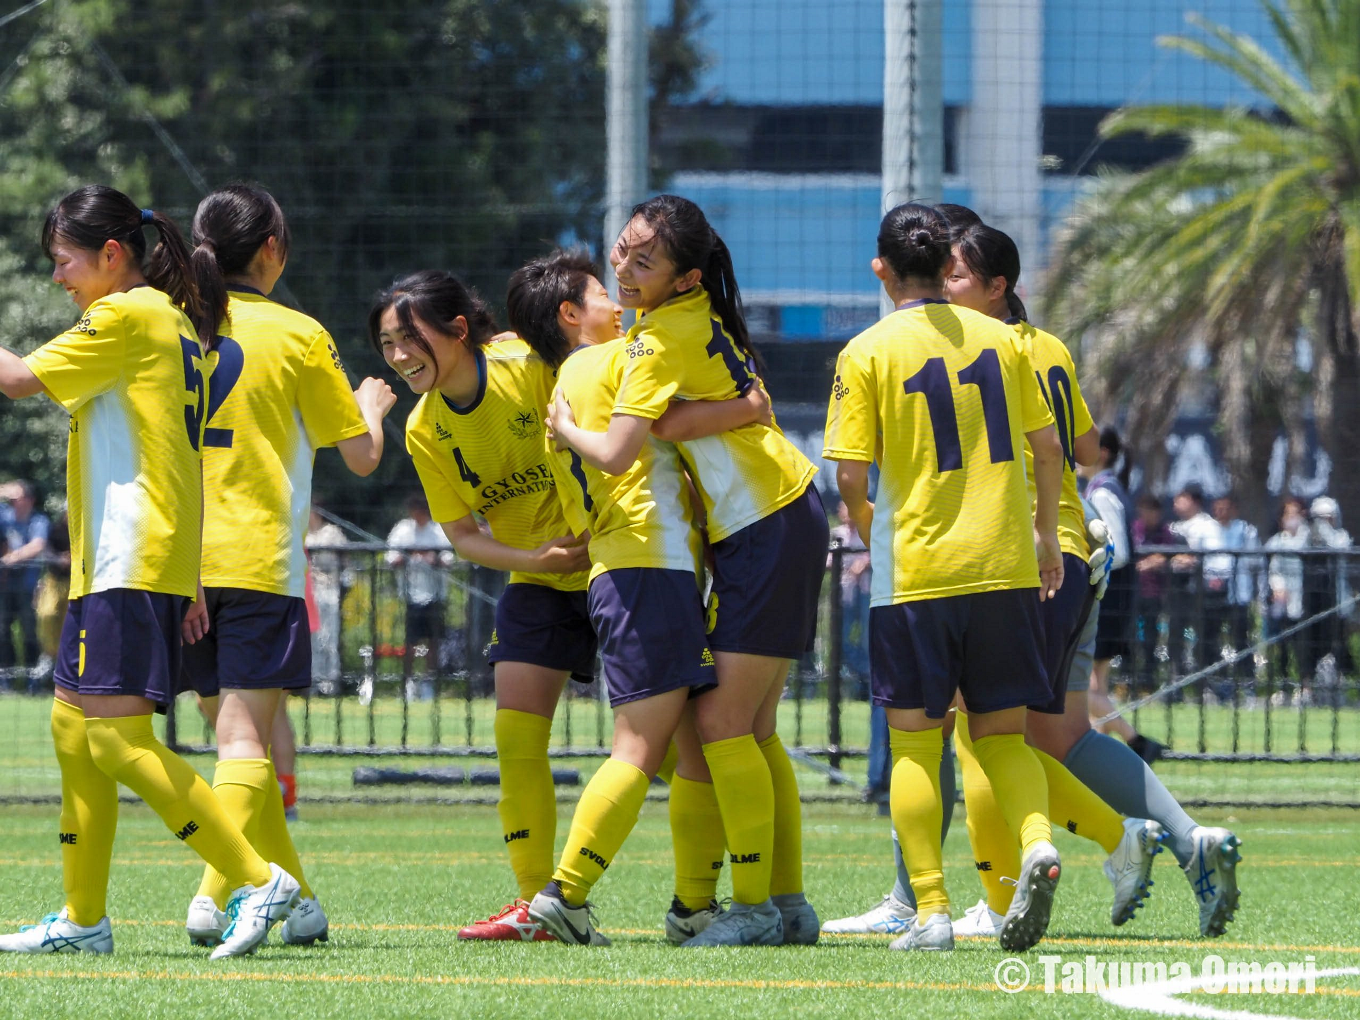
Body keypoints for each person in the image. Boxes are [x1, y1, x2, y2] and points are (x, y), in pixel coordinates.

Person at [0, 184, 298, 958]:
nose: (57, 279)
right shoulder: (160, 320)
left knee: (119, 741)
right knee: (73, 730)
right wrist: (188, 569)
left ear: (110, 255)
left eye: (63, 262)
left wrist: (176, 566)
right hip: (124, 560)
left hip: (131, 559)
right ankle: (83, 919)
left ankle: (258, 878)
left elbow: (17, 378)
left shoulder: (127, 314)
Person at [548, 197, 829, 946]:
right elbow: (751, 401)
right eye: (623, 250)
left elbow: (615, 453)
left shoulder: (654, 341)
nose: (625, 267)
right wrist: (726, 413)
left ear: (685, 276)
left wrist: (565, 426)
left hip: (766, 521)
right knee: (755, 730)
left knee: (721, 723)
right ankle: (786, 904)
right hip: (776, 517)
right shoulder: (687, 316)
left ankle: (753, 912)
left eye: (645, 261)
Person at [823, 202, 1067, 953]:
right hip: (1005, 567)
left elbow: (851, 476)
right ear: (945, 263)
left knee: (915, 750)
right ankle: (1035, 843)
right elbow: (1050, 446)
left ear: (881, 269)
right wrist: (1045, 537)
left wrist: (875, 536)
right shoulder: (1006, 339)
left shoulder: (865, 351)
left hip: (919, 576)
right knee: (1004, 738)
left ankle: (928, 912)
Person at [178, 183, 397, 951]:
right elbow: (363, 458)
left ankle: (296, 900)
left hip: (173, 560)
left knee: (238, 737)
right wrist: (373, 402)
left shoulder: (170, 324)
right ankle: (217, 895)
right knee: (246, 742)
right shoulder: (299, 334)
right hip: (256, 556)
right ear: (271, 248)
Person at [935, 222, 1164, 937]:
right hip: (1057, 554)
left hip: (1024, 558)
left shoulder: (989, 351)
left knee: (984, 734)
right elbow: (1088, 449)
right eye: (940, 273)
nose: (946, 287)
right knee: (1016, 735)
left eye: (958, 277)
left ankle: (1010, 890)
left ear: (998, 287)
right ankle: (1118, 839)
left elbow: (1037, 452)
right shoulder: (1048, 346)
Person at [370, 266, 603, 941]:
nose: (398, 356)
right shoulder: (423, 429)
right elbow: (465, 537)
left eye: (408, 339)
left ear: (459, 330)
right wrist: (535, 560)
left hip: (619, 568)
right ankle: (538, 906)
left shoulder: (528, 363)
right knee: (515, 738)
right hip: (538, 582)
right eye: (386, 346)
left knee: (677, 745)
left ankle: (706, 901)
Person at [1084, 429, 1165, 759]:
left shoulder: (1102, 494)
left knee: (1079, 684)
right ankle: (1098, 750)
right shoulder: (1106, 489)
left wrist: (1084, 569)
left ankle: (1135, 741)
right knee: (1096, 682)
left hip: (1107, 597)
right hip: (1113, 597)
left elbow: (1117, 551)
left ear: (1102, 452)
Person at [385, 493, 453, 688]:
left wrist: (433, 558)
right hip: (411, 594)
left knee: (434, 639)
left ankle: (430, 680)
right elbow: (391, 557)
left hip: (435, 593)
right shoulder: (402, 529)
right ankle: (408, 680)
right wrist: (408, 556)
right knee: (411, 640)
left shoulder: (438, 530)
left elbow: (449, 559)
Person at [1211, 494, 1263, 696]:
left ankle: (1248, 683)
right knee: (1212, 639)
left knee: (1241, 638)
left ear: (1233, 509)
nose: (1220, 512)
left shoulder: (1245, 531)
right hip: (1214, 594)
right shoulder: (1209, 530)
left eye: (1225, 508)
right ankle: (1218, 683)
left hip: (1239, 593)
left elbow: (1255, 561)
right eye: (1217, 508)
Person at [0, 479, 50, 676]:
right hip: (5, 586)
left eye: (17, 498)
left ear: (29, 500)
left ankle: (32, 679)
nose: (13, 502)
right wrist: (4, 491)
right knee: (2, 632)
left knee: (30, 633)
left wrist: (12, 558)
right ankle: (6, 679)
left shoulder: (39, 520)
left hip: (28, 587)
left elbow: (37, 545)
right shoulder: (5, 516)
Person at [305, 507, 350, 693]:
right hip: (309, 590)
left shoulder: (331, 532)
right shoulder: (303, 533)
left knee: (329, 637)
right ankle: (313, 681)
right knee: (312, 639)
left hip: (329, 588)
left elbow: (345, 559)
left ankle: (331, 683)